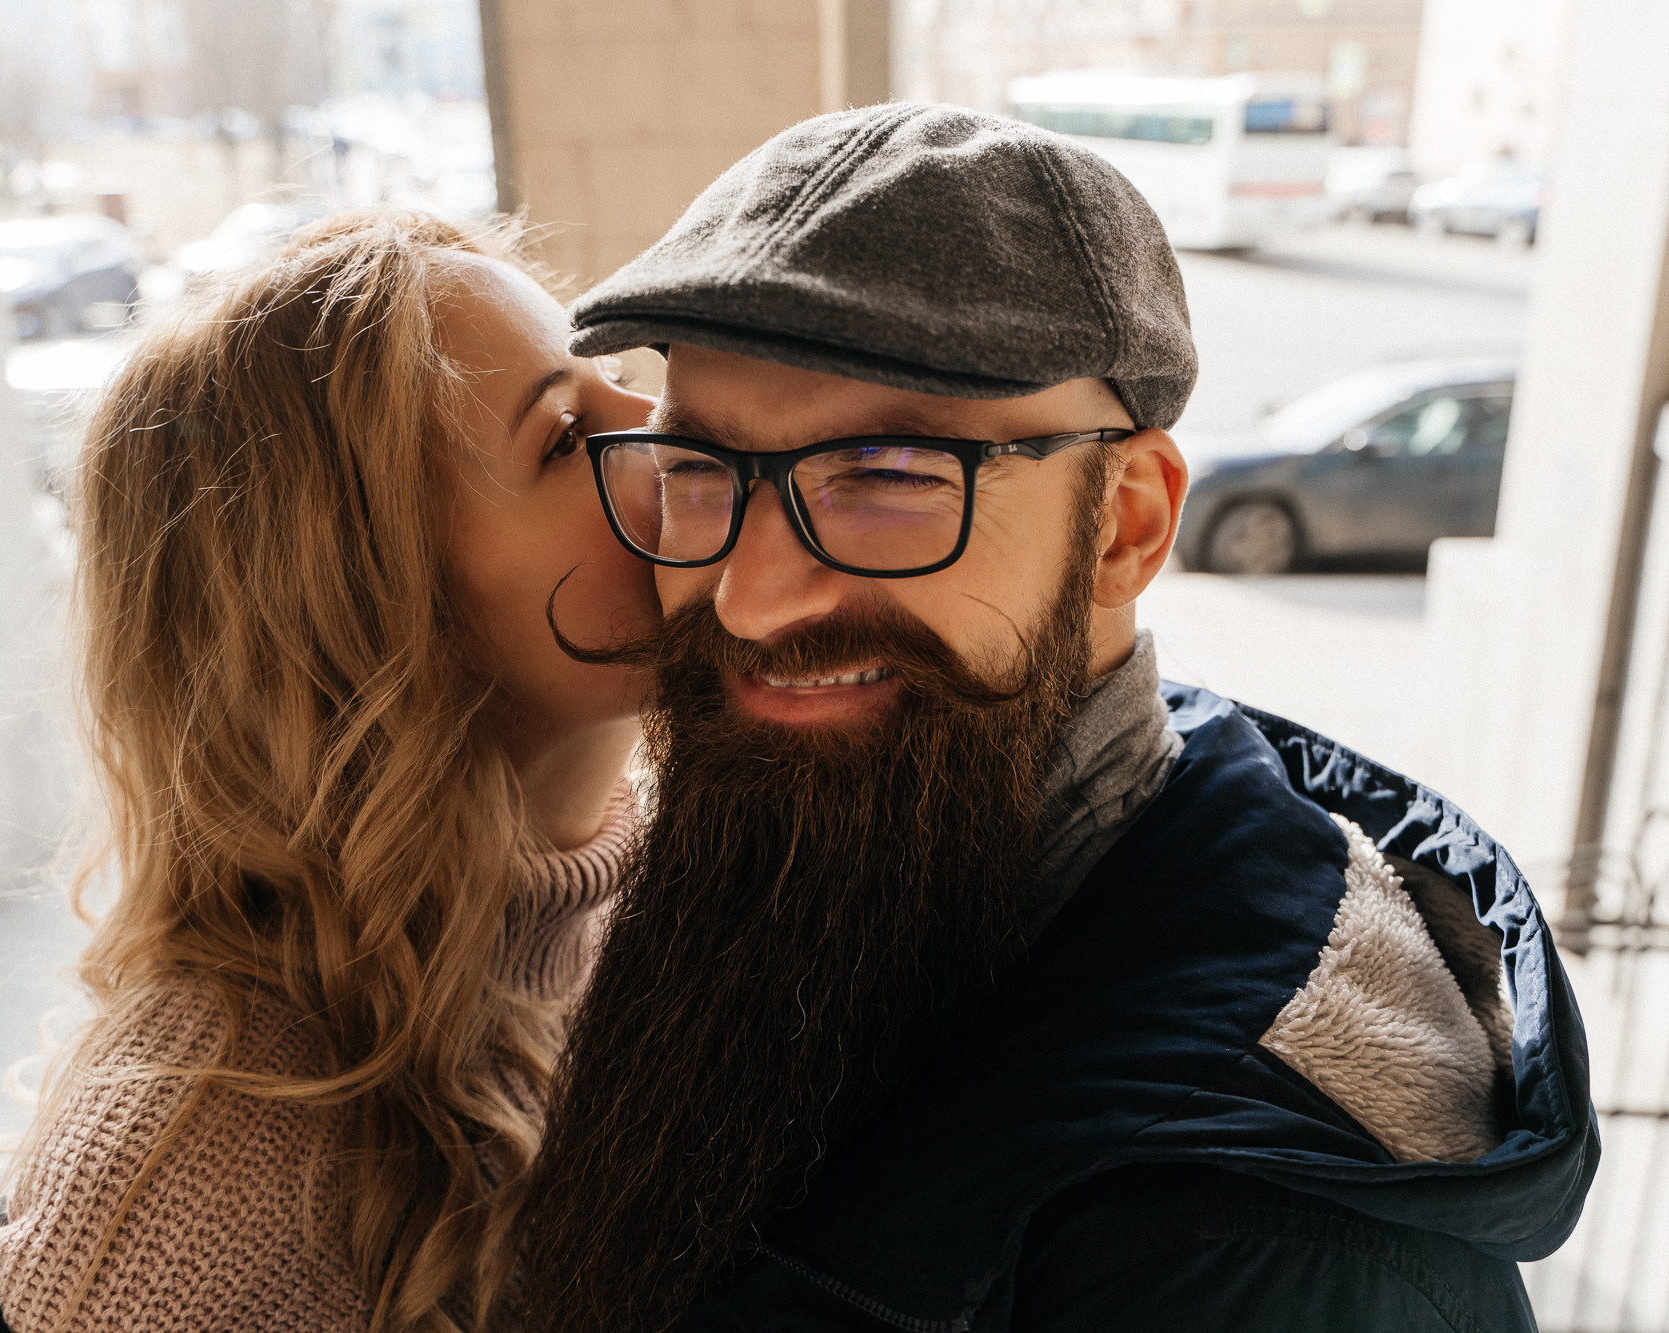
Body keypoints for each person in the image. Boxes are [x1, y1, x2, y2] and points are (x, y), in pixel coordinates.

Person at [517, 103, 1597, 1332]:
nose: (752, 600)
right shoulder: (850, 823)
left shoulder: (1249, 1254)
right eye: (698, 471)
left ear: (1125, 523)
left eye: (885, 477)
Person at [0, 211, 657, 1333]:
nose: (664, 424)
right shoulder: (182, 1202)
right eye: (564, 433)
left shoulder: (664, 860)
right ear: (373, 614)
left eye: (616, 377)